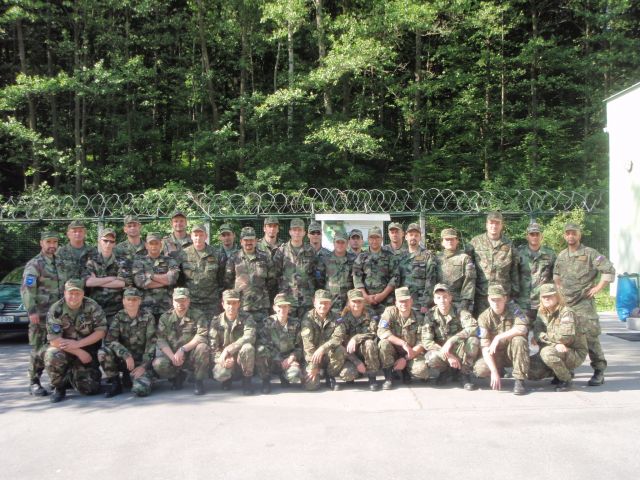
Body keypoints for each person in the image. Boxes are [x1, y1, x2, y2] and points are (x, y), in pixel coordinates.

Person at [553, 222, 615, 386]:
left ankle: (599, 370)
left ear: (579, 235)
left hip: (584, 303)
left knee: (590, 337)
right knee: (566, 336)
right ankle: (568, 369)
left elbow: (608, 270)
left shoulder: (591, 253)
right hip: (567, 303)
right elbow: (556, 276)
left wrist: (598, 288)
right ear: (565, 236)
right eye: (568, 233)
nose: (571, 236)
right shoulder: (561, 255)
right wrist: (560, 294)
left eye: (574, 233)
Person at [44, 279, 106, 403]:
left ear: (83, 293)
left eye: (77, 293)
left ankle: (71, 376)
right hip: (65, 349)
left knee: (90, 389)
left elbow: (101, 331)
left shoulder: (92, 306)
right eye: (71, 293)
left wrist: (79, 345)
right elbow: (54, 340)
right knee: (52, 353)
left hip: (88, 349)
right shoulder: (56, 309)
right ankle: (59, 387)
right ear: (65, 293)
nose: (74, 296)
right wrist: (78, 351)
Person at [21, 231, 64, 396]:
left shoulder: (60, 262)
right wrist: (31, 310)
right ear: (41, 243)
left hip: (58, 315)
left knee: (56, 348)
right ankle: (34, 382)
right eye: (48, 242)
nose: (52, 245)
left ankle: (56, 381)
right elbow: (27, 289)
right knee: (38, 349)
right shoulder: (35, 264)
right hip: (41, 314)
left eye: (55, 242)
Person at [528, 284, 588, 391]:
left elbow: (565, 338)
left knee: (547, 353)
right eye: (544, 297)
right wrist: (554, 343)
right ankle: (558, 372)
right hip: (555, 348)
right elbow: (537, 332)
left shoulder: (566, 312)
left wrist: (543, 337)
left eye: (550, 296)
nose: (546, 299)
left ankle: (566, 379)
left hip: (574, 352)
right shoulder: (542, 312)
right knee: (529, 370)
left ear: (557, 296)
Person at [98, 288, 157, 397]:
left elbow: (151, 344)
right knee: (103, 352)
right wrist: (125, 354)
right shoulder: (118, 317)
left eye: (135, 299)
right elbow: (110, 340)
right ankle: (116, 383)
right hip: (124, 360)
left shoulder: (148, 317)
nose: (131, 302)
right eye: (128, 299)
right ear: (123, 301)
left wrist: (144, 366)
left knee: (140, 390)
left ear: (139, 301)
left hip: (141, 361)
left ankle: (137, 378)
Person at [472, 284, 529, 395]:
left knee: (519, 340)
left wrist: (498, 337)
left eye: (499, 299)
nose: (496, 303)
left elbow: (523, 328)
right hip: (495, 354)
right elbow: (485, 347)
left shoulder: (515, 309)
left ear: (505, 298)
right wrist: (493, 371)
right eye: (493, 300)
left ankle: (519, 380)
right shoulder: (483, 317)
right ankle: (498, 371)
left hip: (512, 352)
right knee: (480, 370)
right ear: (488, 300)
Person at [152, 288, 210, 395]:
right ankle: (177, 376)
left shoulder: (198, 315)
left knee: (203, 347)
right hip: (174, 355)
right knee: (158, 364)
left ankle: (198, 380)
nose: (180, 304)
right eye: (177, 300)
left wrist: (182, 349)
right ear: (172, 302)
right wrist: (172, 357)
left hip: (191, 353)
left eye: (183, 300)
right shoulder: (165, 318)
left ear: (189, 301)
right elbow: (161, 340)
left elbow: (201, 336)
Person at [423, 284, 479, 390]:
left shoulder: (460, 311)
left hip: (459, 349)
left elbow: (474, 327)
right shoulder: (430, 315)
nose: (442, 300)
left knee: (473, 341)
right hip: (441, 350)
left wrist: (452, 340)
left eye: (445, 297)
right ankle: (445, 371)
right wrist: (448, 355)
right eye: (438, 297)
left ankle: (464, 373)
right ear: (434, 300)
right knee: (431, 357)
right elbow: (427, 341)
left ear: (450, 298)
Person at [469, 211, 519, 317]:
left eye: (497, 223)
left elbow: (514, 270)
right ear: (486, 224)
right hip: (482, 294)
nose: (494, 226)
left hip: (502, 294)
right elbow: (468, 267)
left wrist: (514, 293)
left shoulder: (509, 244)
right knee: (482, 324)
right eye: (491, 223)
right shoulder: (475, 242)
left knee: (503, 323)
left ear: (502, 225)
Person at [377, 287, 429, 389]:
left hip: (411, 353)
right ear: (396, 303)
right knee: (383, 343)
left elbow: (422, 342)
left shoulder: (419, 317)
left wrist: (405, 358)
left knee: (421, 371)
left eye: (406, 300)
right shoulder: (390, 312)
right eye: (401, 301)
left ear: (411, 301)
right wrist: (403, 343)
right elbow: (382, 331)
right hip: (394, 351)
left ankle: (406, 371)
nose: (404, 304)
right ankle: (389, 377)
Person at [224, 226, 276, 323]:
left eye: (251, 240)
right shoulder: (234, 257)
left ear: (256, 241)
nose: (249, 242)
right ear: (241, 241)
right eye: (246, 240)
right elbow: (228, 280)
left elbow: (272, 280)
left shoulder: (265, 257)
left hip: (261, 306)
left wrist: (261, 292)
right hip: (241, 306)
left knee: (262, 331)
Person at [210, 289, 257, 395]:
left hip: (241, 357)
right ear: (223, 304)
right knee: (220, 374)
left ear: (239, 304)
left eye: (234, 303)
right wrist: (222, 359)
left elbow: (250, 337)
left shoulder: (247, 318)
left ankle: (247, 381)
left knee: (248, 347)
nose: (231, 306)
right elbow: (213, 347)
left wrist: (228, 350)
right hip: (224, 357)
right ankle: (227, 380)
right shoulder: (216, 321)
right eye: (228, 303)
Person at [255, 293, 303, 393]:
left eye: (285, 306)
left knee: (294, 374)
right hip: (273, 360)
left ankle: (284, 376)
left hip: (288, 360)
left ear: (289, 308)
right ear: (274, 308)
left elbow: (299, 346)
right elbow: (263, 344)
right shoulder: (267, 323)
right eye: (279, 306)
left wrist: (292, 358)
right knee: (260, 350)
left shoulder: (296, 323)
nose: (282, 309)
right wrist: (280, 360)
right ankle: (265, 380)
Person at [301, 289, 347, 391]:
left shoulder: (337, 317)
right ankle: (317, 372)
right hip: (313, 357)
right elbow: (307, 344)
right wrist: (313, 366)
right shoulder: (308, 318)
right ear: (314, 303)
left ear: (330, 304)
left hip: (329, 355)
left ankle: (330, 376)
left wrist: (322, 348)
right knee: (311, 386)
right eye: (320, 303)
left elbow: (338, 337)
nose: (323, 306)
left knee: (340, 349)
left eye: (326, 303)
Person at [273, 218, 319, 319]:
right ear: (290, 232)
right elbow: (275, 275)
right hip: (287, 300)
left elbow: (316, 275)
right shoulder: (281, 251)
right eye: (294, 230)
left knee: (307, 326)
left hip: (306, 300)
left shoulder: (311, 251)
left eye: (299, 230)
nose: (297, 233)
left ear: (304, 233)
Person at [177, 224, 226, 318]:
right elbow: (179, 280)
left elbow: (223, 278)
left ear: (206, 236)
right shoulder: (183, 254)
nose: (198, 238)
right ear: (191, 236)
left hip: (212, 303)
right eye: (195, 235)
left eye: (201, 235)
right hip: (191, 303)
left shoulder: (217, 254)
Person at [340, 289, 381, 391]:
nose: (357, 304)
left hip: (366, 350)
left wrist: (355, 338)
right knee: (347, 374)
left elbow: (373, 333)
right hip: (350, 354)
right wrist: (356, 361)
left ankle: (372, 377)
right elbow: (341, 343)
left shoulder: (370, 314)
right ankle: (357, 372)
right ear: (349, 302)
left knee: (369, 343)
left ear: (363, 302)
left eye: (359, 301)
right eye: (354, 301)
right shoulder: (343, 317)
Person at [352, 226, 398, 315]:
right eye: (371, 238)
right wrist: (366, 296)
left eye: (377, 237)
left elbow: (395, 277)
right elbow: (357, 278)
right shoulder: (361, 257)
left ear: (382, 239)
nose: (374, 241)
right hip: (366, 302)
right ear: (368, 239)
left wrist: (383, 295)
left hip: (387, 300)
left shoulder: (390, 256)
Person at [132, 232, 180, 319]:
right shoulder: (139, 262)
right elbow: (140, 282)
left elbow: (173, 279)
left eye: (156, 243)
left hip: (166, 307)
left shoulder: (170, 261)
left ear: (160, 245)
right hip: (146, 308)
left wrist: (150, 276)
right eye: (151, 243)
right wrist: (165, 282)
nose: (154, 246)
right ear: (146, 245)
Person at [84, 228, 127, 323]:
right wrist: (112, 278)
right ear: (100, 241)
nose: (108, 244)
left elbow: (122, 283)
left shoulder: (121, 261)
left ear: (114, 244)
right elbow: (88, 282)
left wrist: (97, 281)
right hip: (95, 308)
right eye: (105, 241)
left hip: (115, 309)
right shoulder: (92, 261)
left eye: (111, 242)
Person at [517, 222, 556, 324]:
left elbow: (556, 277)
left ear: (541, 236)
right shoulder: (518, 253)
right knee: (521, 331)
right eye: (532, 234)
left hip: (543, 302)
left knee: (543, 331)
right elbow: (512, 275)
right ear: (527, 236)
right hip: (523, 303)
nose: (535, 237)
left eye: (537, 234)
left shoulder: (550, 254)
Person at [397, 223, 437, 313]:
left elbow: (431, 280)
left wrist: (426, 303)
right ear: (406, 237)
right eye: (411, 235)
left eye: (416, 235)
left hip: (420, 304)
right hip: (403, 303)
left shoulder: (427, 255)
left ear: (420, 237)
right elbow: (396, 280)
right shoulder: (400, 256)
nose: (413, 237)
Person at [436, 228, 476, 314]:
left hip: (458, 302)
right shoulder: (436, 258)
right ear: (442, 242)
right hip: (441, 302)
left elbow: (469, 282)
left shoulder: (464, 258)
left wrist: (464, 303)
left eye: (452, 239)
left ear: (457, 241)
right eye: (447, 239)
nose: (450, 242)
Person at [316, 232, 356, 314]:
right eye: (338, 242)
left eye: (343, 242)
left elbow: (356, 282)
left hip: (349, 304)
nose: (340, 245)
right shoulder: (325, 259)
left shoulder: (354, 259)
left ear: (347, 244)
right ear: (334, 243)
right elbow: (319, 282)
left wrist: (350, 302)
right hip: (329, 304)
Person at [56, 220, 96, 285]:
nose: (78, 234)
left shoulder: (93, 251)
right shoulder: (60, 252)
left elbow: (99, 272)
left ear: (85, 233)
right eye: (74, 231)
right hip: (68, 289)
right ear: (68, 234)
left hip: (88, 289)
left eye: (80, 231)